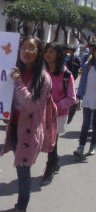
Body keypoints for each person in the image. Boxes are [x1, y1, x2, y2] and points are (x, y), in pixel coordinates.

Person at [1, 37, 52, 212]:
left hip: (29, 132)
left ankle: (21, 209)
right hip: (14, 128)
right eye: (23, 47)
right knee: (21, 168)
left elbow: (31, 105)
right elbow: (10, 98)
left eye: (31, 48)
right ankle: (21, 204)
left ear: (39, 52)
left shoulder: (43, 78)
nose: (26, 51)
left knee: (23, 170)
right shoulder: (17, 71)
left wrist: (17, 82)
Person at [41, 43, 76, 186]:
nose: (48, 54)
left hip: (58, 114)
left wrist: (56, 106)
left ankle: (49, 169)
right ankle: (55, 163)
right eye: (46, 51)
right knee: (50, 141)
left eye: (51, 52)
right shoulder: (42, 71)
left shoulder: (67, 75)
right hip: (42, 113)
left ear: (59, 55)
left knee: (51, 141)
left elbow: (71, 98)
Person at [73, 45, 96, 157]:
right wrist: (79, 95)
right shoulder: (88, 65)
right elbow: (82, 81)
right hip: (88, 98)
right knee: (85, 124)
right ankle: (81, 147)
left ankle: (92, 147)